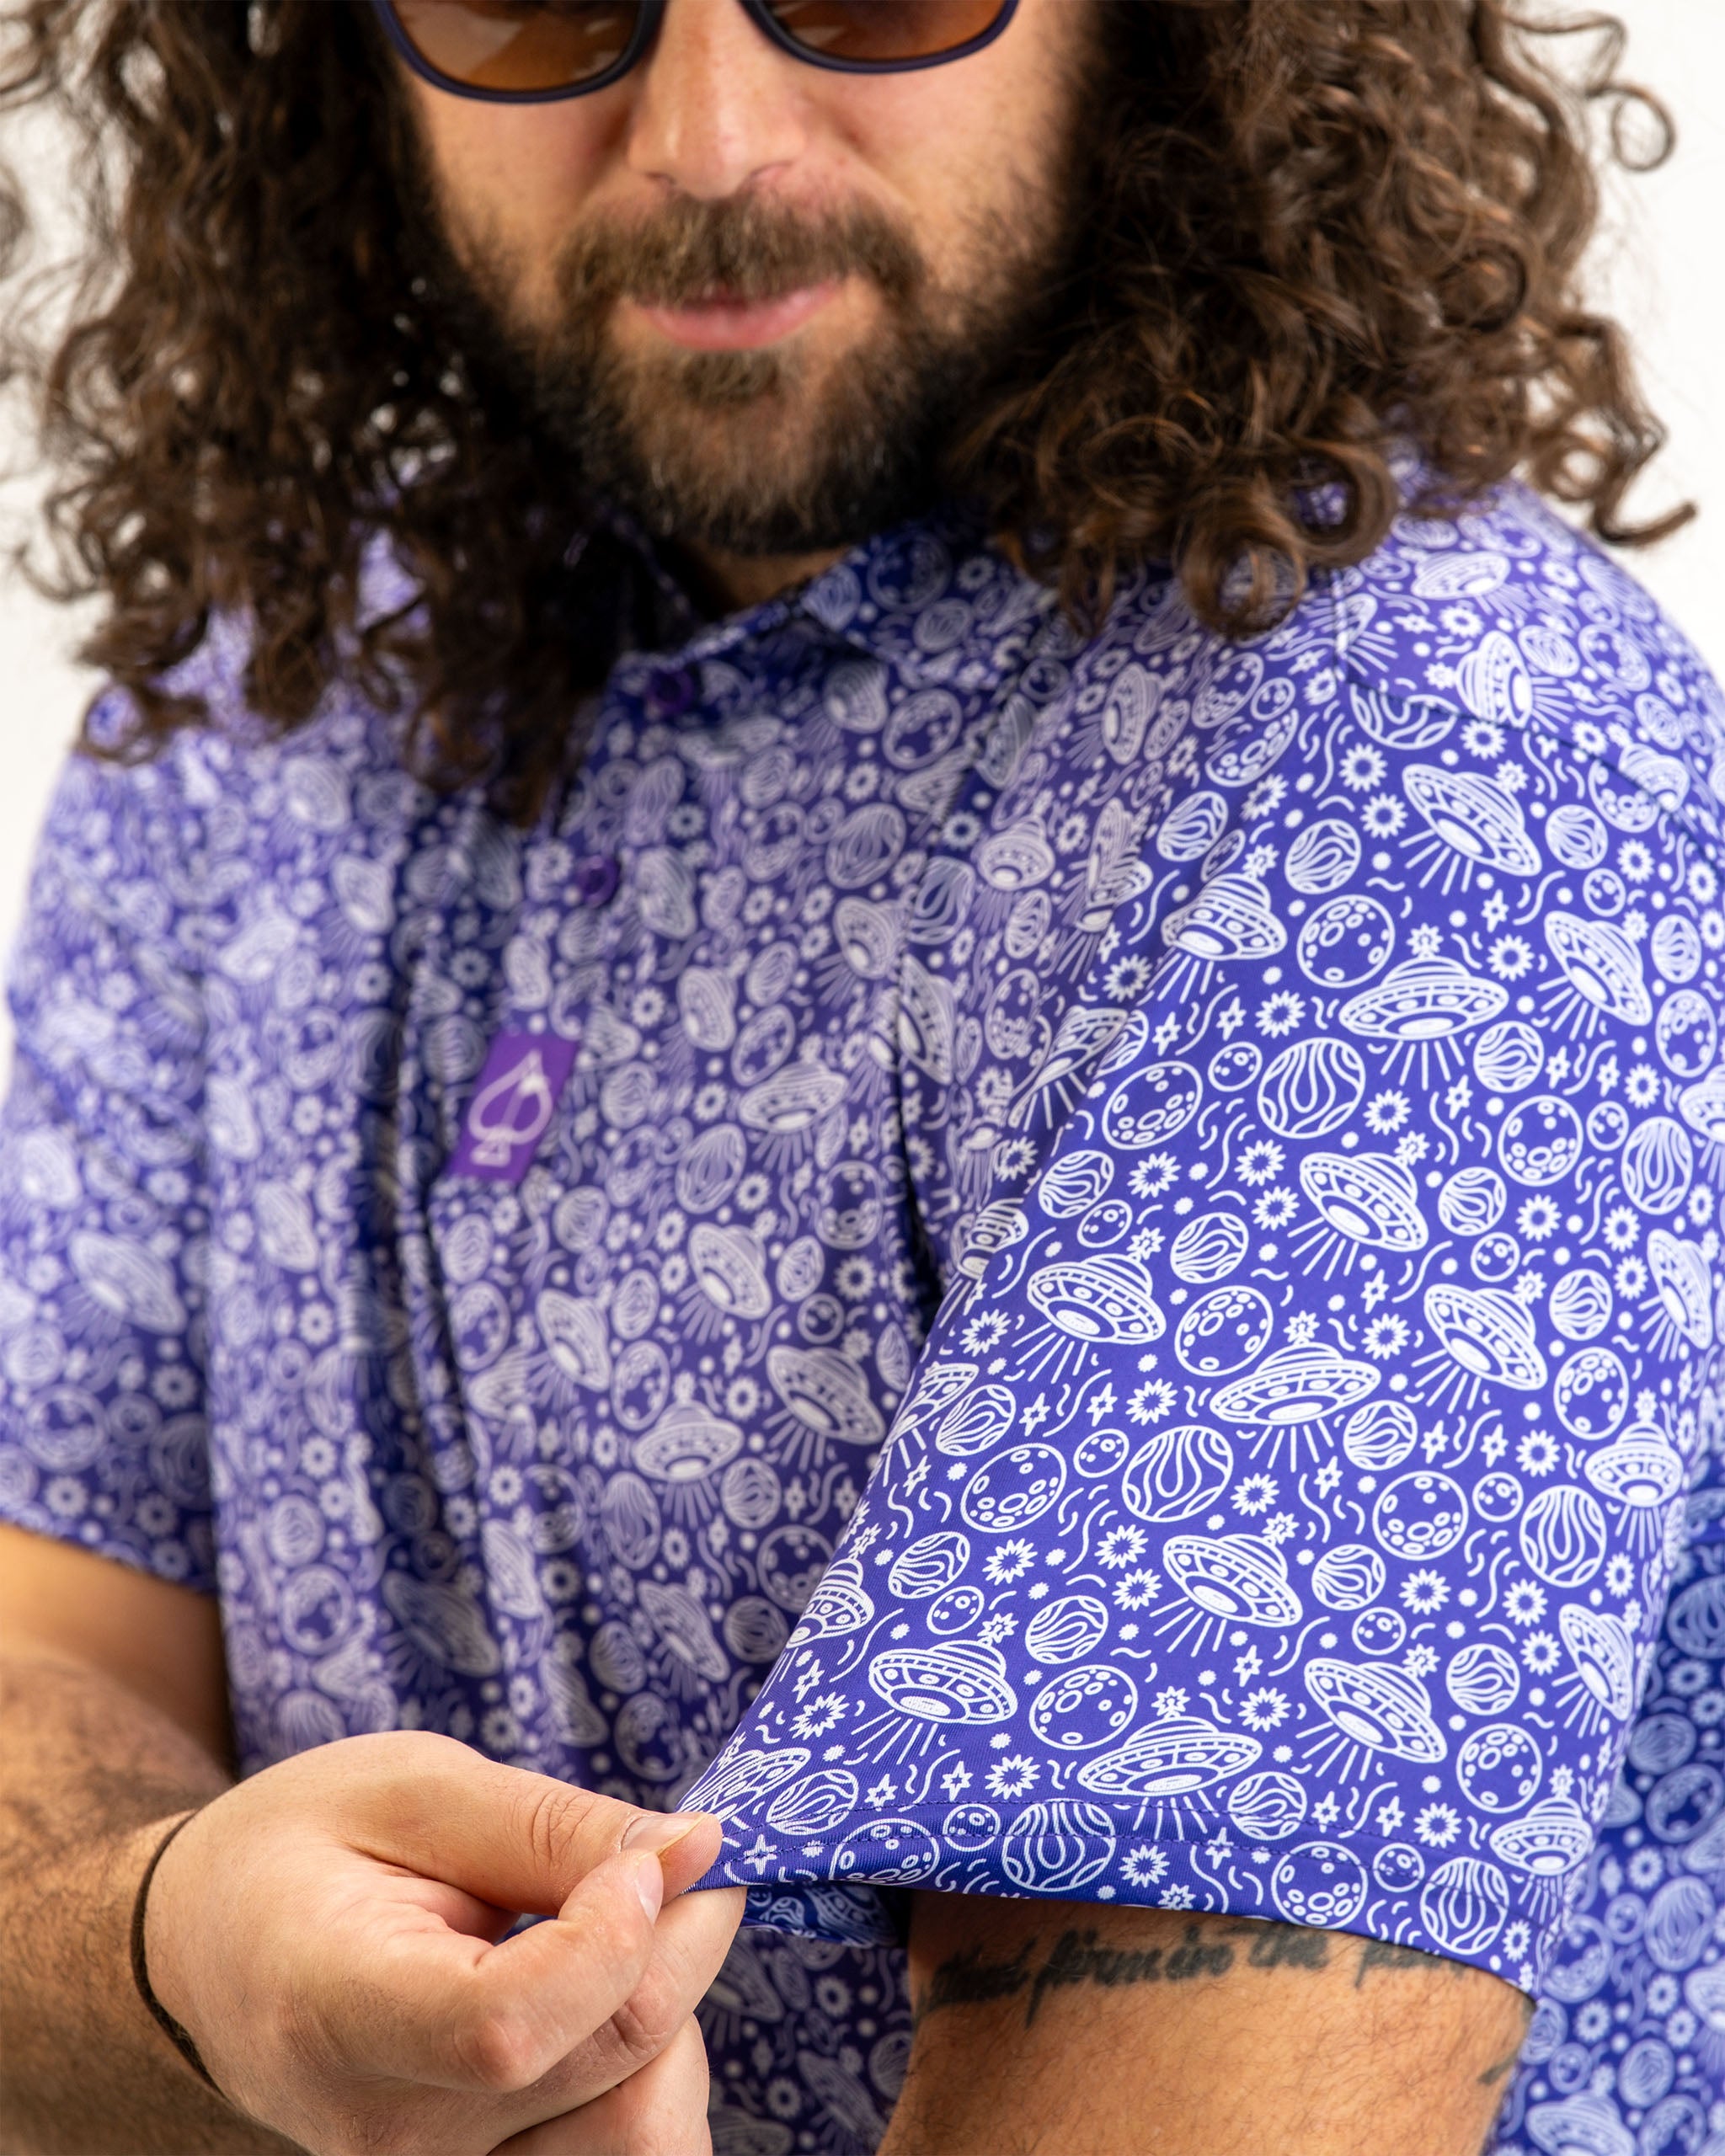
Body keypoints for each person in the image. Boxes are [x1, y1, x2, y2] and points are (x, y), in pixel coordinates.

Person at [0, 0, 1719, 2150]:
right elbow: (47, 1654)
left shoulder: (1429, 758)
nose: (709, 142)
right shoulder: (264, 699)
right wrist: (173, 1950)